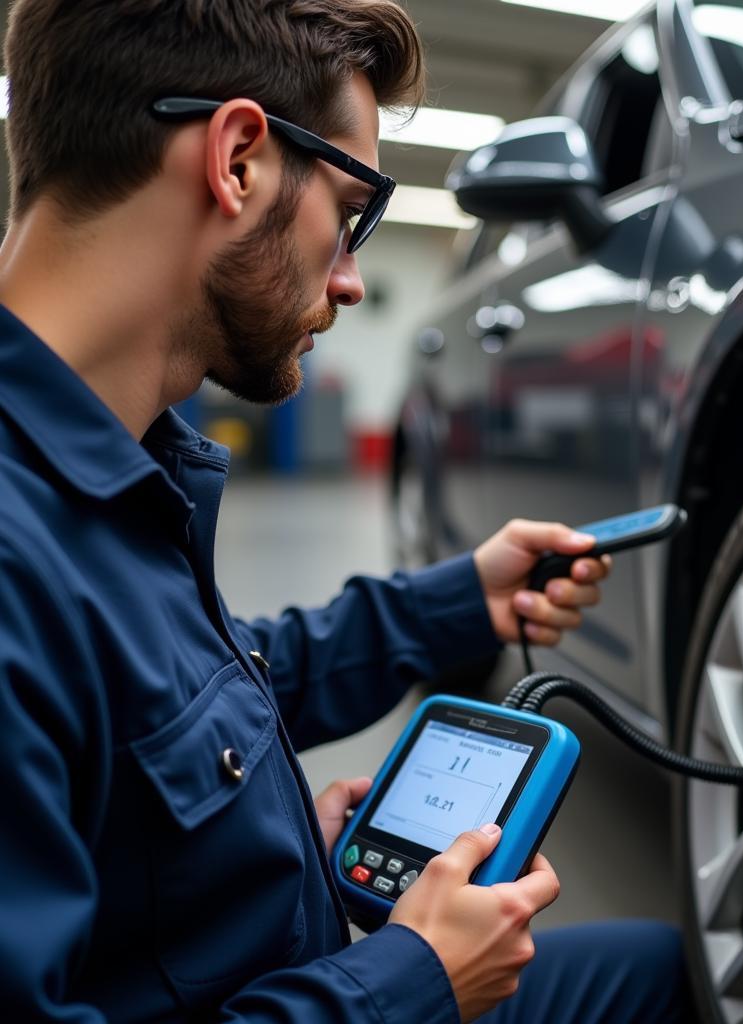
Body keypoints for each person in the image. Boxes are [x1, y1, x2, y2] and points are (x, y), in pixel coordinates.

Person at [0, 1, 685, 1021]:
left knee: (659, 964)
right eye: (352, 212)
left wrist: (458, 601)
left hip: (282, 963)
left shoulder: (103, 473)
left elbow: (181, 701)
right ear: (237, 161)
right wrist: (414, 979)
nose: (355, 279)